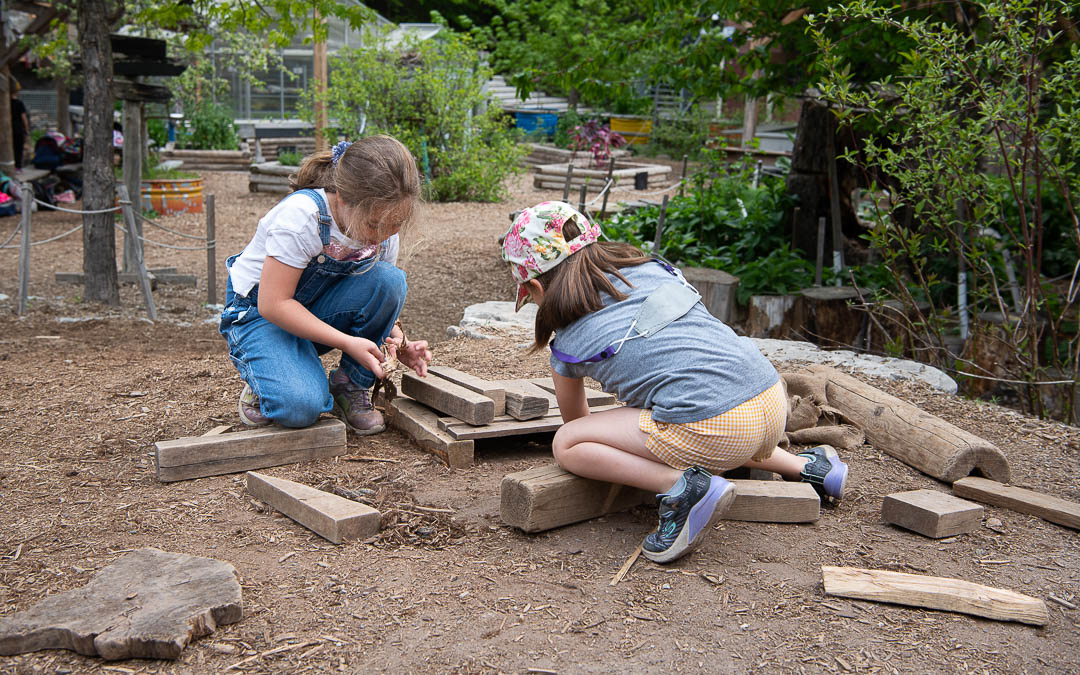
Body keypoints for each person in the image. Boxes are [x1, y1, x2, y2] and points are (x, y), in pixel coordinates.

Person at [501, 201, 848, 564]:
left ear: (537, 286)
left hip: (717, 429)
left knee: (568, 444)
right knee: (706, 409)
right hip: (770, 397)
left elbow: (578, 425)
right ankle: (810, 468)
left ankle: (683, 488)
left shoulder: (568, 344)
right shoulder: (652, 269)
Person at [219, 135, 432, 434]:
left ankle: (350, 385)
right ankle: (265, 378)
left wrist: (400, 340)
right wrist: (346, 341)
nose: (382, 235)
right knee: (301, 408)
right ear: (344, 199)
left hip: (313, 311)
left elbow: (377, 294)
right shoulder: (302, 217)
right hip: (260, 314)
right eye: (374, 225)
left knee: (390, 280)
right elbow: (273, 303)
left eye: (394, 225)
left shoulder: (382, 226)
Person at [10, 78, 29, 170]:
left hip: (7, 129)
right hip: (17, 128)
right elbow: (24, 118)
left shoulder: (6, 103)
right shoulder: (19, 103)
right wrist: (27, 130)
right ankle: (17, 167)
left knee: (11, 147)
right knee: (18, 148)